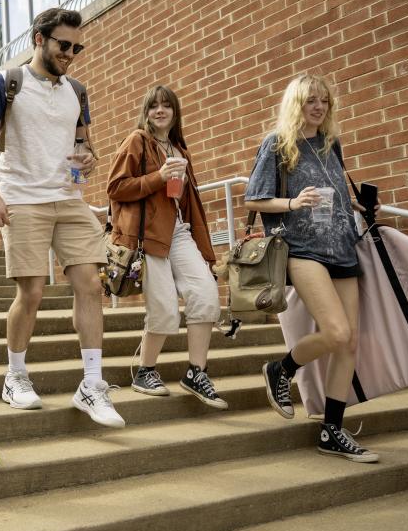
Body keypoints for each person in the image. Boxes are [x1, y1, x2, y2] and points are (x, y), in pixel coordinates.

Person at [0, 8, 124, 428]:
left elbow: (85, 145)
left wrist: (89, 159)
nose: (72, 53)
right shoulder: (7, 84)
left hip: (68, 197)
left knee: (90, 287)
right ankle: (16, 376)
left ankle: (92, 385)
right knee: (32, 293)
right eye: (65, 45)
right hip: (22, 198)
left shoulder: (77, 91)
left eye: (77, 47)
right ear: (39, 39)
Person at [244, 73, 379, 463]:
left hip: (343, 248)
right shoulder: (277, 144)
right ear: (295, 104)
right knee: (336, 332)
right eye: (309, 101)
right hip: (303, 249)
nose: (318, 107)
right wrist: (292, 203)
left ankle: (332, 431)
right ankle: (280, 369)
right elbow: (255, 199)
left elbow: (333, 193)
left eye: (324, 101)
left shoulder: (331, 144)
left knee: (349, 341)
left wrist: (355, 207)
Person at [107, 85, 227, 409]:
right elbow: (116, 187)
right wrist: (158, 177)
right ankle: (145, 371)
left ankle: (196, 372)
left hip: (179, 232)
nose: (160, 111)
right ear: (146, 112)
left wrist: (206, 253)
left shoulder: (179, 151)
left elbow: (190, 206)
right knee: (164, 308)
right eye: (154, 106)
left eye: (166, 106)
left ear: (175, 112)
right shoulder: (137, 141)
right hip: (148, 236)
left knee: (205, 294)